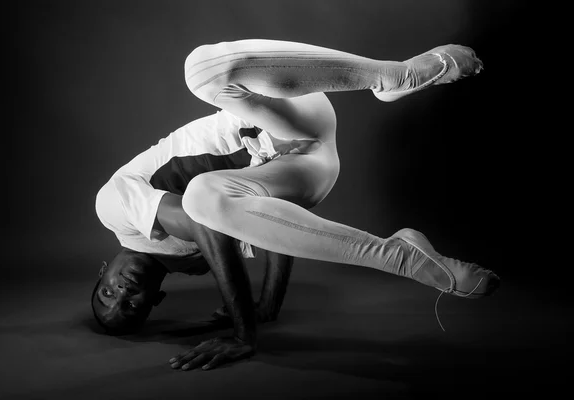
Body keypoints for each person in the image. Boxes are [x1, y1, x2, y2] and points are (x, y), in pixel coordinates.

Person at [94, 39, 500, 371]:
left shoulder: (114, 209)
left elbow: (206, 225)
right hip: (304, 173)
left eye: (107, 293)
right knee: (210, 200)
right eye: (130, 307)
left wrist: (243, 332)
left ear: (103, 272)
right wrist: (268, 304)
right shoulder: (191, 261)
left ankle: (393, 76)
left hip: (282, 119)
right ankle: (405, 255)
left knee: (203, 71)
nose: (122, 293)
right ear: (154, 303)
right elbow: (269, 225)